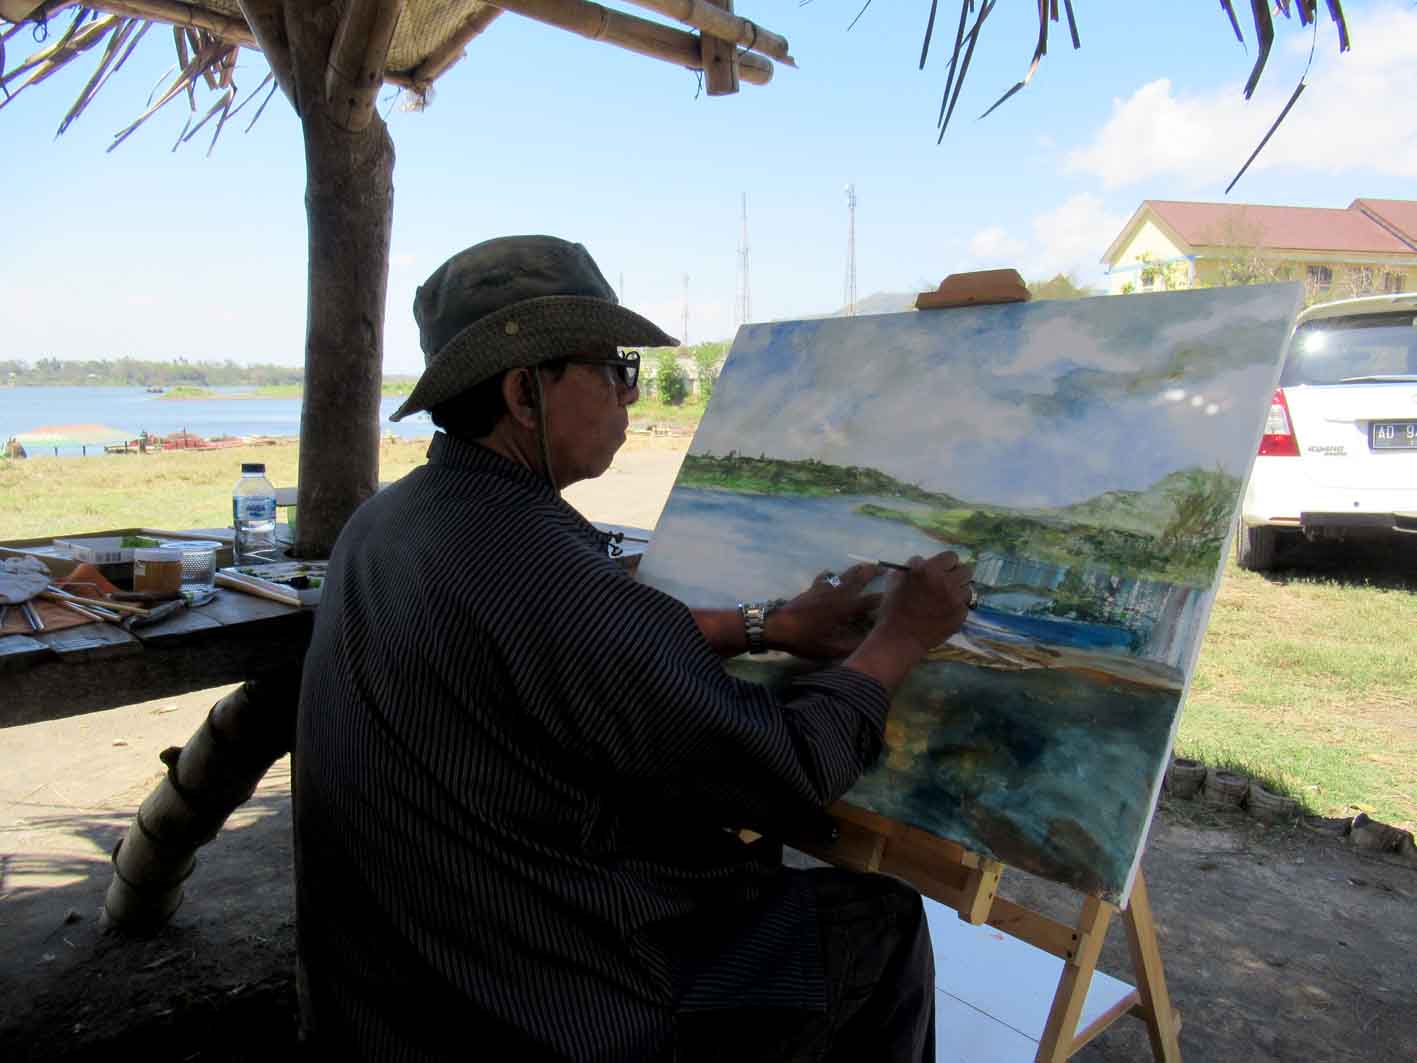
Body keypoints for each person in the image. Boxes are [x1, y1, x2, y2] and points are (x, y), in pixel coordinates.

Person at [294, 235, 974, 1061]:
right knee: (880, 921)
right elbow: (792, 769)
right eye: (615, 369)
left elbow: (570, 649)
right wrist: (899, 637)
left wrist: (764, 625)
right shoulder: (537, 564)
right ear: (523, 391)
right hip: (540, 1005)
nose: (628, 392)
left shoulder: (394, 519)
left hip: (391, 991)